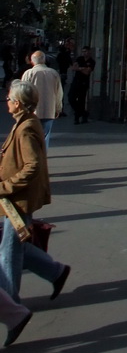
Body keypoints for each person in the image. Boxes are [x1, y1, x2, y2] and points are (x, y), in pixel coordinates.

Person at [0, 80, 70, 304]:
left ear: (19, 104)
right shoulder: (25, 122)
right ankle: (55, 272)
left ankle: (11, 304)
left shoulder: (26, 128)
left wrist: (6, 186)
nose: (7, 102)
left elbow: (33, 165)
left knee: (9, 251)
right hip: (17, 198)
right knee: (14, 244)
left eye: (9, 99)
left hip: (19, 199)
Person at [21, 50, 63, 149]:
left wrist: (23, 108)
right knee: (46, 135)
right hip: (49, 110)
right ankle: (43, 155)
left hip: (33, 111)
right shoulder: (54, 73)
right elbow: (59, 93)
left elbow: (23, 92)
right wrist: (58, 108)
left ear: (32, 61)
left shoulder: (28, 73)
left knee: (32, 135)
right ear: (44, 60)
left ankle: (34, 156)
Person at [68, 45, 95, 124]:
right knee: (71, 98)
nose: (84, 53)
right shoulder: (79, 59)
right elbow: (74, 68)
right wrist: (82, 68)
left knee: (81, 100)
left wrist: (79, 68)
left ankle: (77, 117)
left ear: (89, 52)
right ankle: (83, 112)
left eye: (86, 51)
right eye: (83, 51)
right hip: (76, 81)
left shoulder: (92, 61)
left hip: (84, 83)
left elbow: (87, 72)